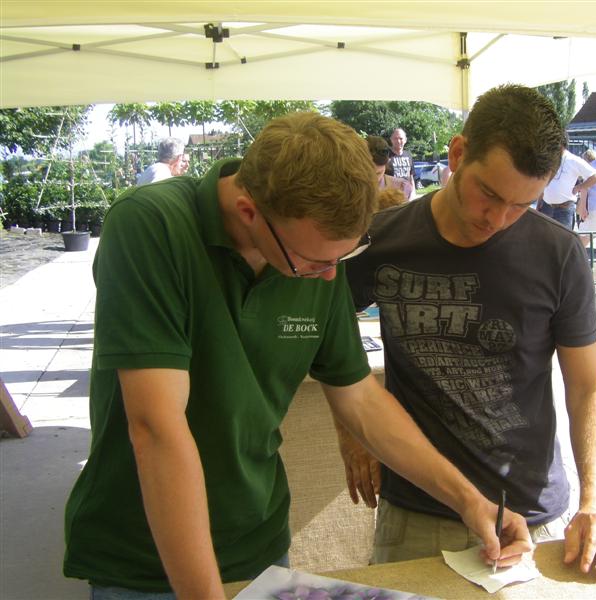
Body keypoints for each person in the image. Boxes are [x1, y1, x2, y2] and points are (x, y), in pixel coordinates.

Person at [62, 112, 533, 599]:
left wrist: (469, 501)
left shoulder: (315, 253)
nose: (330, 278)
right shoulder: (151, 225)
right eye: (313, 262)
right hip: (146, 561)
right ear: (249, 212)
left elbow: (360, 400)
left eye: (340, 259)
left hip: (257, 543)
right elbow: (156, 426)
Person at [341, 84, 596, 581]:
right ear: (458, 154)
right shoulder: (380, 240)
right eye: (490, 194)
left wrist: (595, 498)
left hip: (532, 518)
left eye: (523, 205)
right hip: (417, 508)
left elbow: (587, 383)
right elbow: (330, 334)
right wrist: (351, 427)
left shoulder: (559, 253)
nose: (497, 220)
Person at [539, 136, 596, 230]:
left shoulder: (573, 160)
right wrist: (540, 201)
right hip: (546, 207)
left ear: (560, 143)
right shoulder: (549, 159)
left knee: (562, 243)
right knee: (544, 242)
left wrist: (579, 187)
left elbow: (595, 177)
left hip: (564, 209)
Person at [367, 135, 413, 200]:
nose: (374, 178)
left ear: (387, 161)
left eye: (378, 173)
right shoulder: (351, 188)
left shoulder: (402, 187)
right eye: (368, 173)